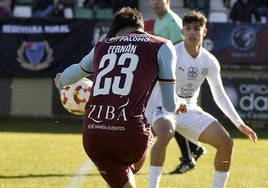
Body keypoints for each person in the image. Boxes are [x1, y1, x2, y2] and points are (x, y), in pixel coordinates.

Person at [54, 7, 187, 188]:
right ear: (141, 27)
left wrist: (60, 80)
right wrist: (181, 101)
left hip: (94, 135)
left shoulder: (102, 46)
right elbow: (170, 105)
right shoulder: (161, 45)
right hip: (131, 137)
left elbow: (69, 77)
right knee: (141, 144)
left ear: (116, 29)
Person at [146, 10, 258, 188]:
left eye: (197, 29)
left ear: (204, 32)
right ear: (182, 32)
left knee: (226, 143)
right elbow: (160, 84)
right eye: (188, 28)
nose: (192, 32)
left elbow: (219, 94)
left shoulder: (210, 61)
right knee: (166, 133)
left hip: (189, 108)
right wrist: (176, 102)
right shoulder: (172, 54)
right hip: (163, 104)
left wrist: (239, 124)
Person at [148, 1, 205, 184]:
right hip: (165, 77)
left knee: (171, 116)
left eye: (160, 0)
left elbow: (181, 51)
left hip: (174, 78)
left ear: (168, 2)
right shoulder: (159, 20)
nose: (155, 3)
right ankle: (194, 149)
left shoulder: (172, 22)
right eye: (153, 0)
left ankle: (189, 156)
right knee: (170, 118)